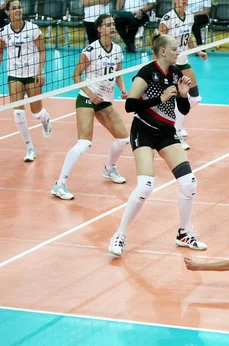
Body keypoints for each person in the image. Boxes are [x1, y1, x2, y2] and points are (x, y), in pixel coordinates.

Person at [108, 32, 207, 257]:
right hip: (143, 131)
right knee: (145, 186)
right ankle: (119, 235)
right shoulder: (146, 72)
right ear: (163, 51)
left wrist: (182, 96)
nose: (178, 52)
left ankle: (184, 233)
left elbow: (182, 110)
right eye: (174, 49)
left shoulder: (176, 72)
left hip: (166, 132)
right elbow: (130, 105)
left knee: (189, 183)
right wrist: (160, 99)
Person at [51, 14, 129, 200]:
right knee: (84, 142)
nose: (112, 27)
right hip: (87, 98)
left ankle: (109, 169)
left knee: (123, 139)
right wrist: (91, 93)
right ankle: (59, 184)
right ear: (99, 29)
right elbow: (76, 76)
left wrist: (123, 89)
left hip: (105, 100)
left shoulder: (117, 49)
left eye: (113, 24)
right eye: (108, 24)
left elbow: (118, 73)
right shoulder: (90, 50)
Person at [0, 0, 52, 162]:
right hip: (14, 74)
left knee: (36, 112)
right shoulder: (3, 32)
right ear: (8, 12)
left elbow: (42, 51)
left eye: (19, 7)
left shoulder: (32, 28)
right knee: (18, 112)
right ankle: (29, 147)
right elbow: (0, 52)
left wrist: (40, 71)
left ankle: (45, 119)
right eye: (14, 8)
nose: (17, 10)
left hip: (32, 73)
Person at [159, 0, 207, 151]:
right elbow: (158, 42)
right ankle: (176, 133)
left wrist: (198, 51)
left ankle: (177, 123)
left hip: (183, 61)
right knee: (179, 98)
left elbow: (189, 38)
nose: (183, 1)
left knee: (195, 97)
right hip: (171, 64)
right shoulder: (168, 19)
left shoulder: (189, 16)